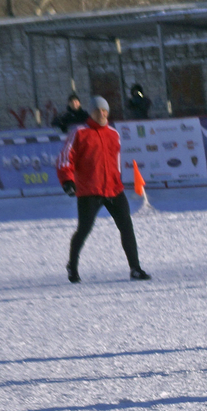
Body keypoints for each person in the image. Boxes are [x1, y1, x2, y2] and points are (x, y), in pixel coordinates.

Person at [56, 96, 148, 282]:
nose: (102, 113)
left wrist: (117, 180)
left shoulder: (114, 134)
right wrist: (68, 181)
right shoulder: (80, 133)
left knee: (126, 227)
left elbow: (115, 162)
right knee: (84, 229)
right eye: (98, 110)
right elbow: (65, 158)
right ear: (91, 112)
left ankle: (135, 268)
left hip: (114, 189)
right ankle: (72, 266)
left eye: (105, 110)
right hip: (90, 190)